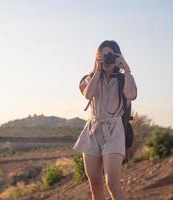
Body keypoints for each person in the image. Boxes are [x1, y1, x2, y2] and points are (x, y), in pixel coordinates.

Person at [73, 40, 137, 200]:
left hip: (114, 131)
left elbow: (131, 95)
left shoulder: (123, 79)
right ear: (97, 57)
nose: (106, 58)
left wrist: (127, 70)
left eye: (110, 55)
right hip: (92, 131)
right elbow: (88, 94)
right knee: (95, 184)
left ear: (117, 57)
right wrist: (98, 71)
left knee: (112, 184)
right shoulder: (88, 79)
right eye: (103, 55)